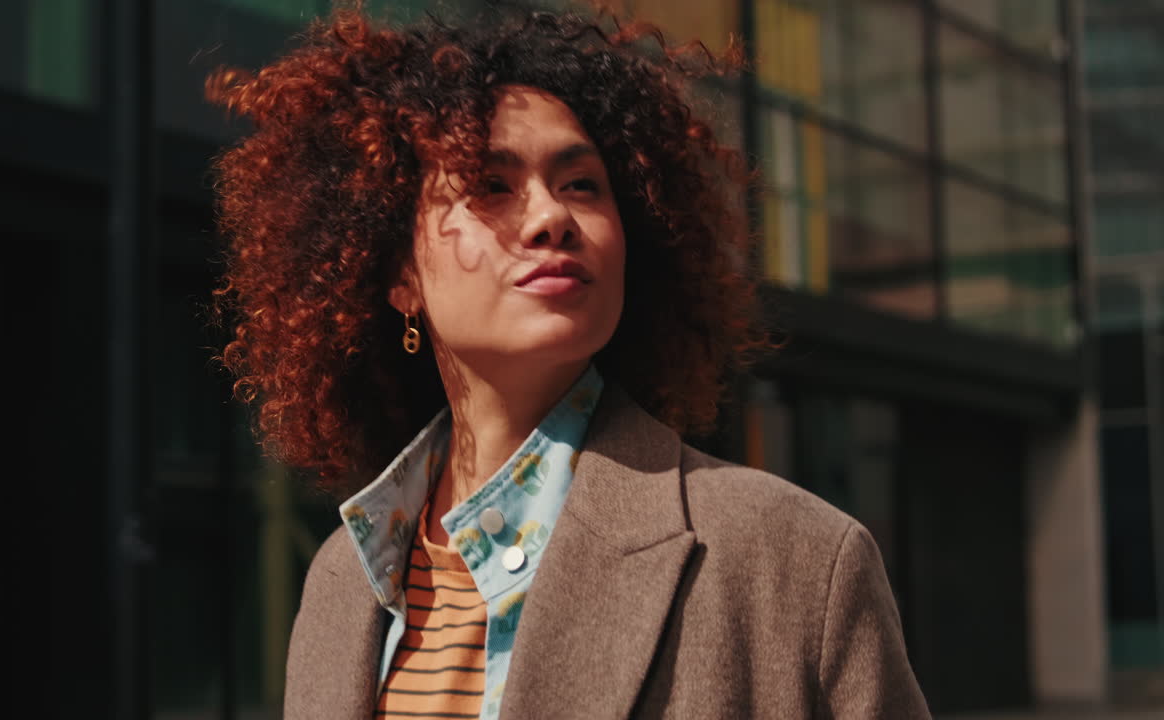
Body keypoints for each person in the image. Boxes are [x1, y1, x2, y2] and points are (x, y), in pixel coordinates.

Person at [207, 4, 931, 718]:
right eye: (491, 184)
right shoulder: (343, 580)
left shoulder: (791, 558)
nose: (553, 216)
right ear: (399, 273)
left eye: (581, 184)